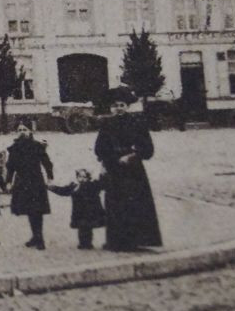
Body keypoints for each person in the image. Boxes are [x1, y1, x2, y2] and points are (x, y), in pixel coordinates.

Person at [94, 88, 163, 250]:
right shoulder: (106, 124)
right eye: (114, 106)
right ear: (110, 108)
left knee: (134, 204)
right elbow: (99, 149)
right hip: (113, 169)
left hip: (133, 171)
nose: (118, 108)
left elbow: (147, 149)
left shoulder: (137, 123)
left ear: (127, 106)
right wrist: (106, 162)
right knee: (115, 205)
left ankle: (136, 241)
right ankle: (116, 242)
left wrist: (132, 156)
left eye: (121, 105)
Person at [5, 120, 55, 249]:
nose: (22, 132)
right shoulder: (14, 148)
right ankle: (35, 237)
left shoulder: (37, 146)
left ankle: (40, 239)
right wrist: (8, 182)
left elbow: (47, 163)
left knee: (37, 210)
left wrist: (50, 178)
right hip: (21, 182)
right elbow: (10, 167)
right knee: (28, 210)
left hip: (36, 181)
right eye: (20, 130)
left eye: (25, 130)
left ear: (30, 131)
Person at [50, 167, 106, 250]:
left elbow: (102, 184)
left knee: (87, 228)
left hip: (90, 211)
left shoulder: (92, 185)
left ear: (88, 178)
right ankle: (83, 243)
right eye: (80, 177)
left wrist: (103, 174)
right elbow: (63, 191)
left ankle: (87, 244)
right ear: (77, 177)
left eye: (84, 177)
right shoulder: (74, 186)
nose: (82, 179)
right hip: (79, 211)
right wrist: (52, 188)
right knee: (82, 228)